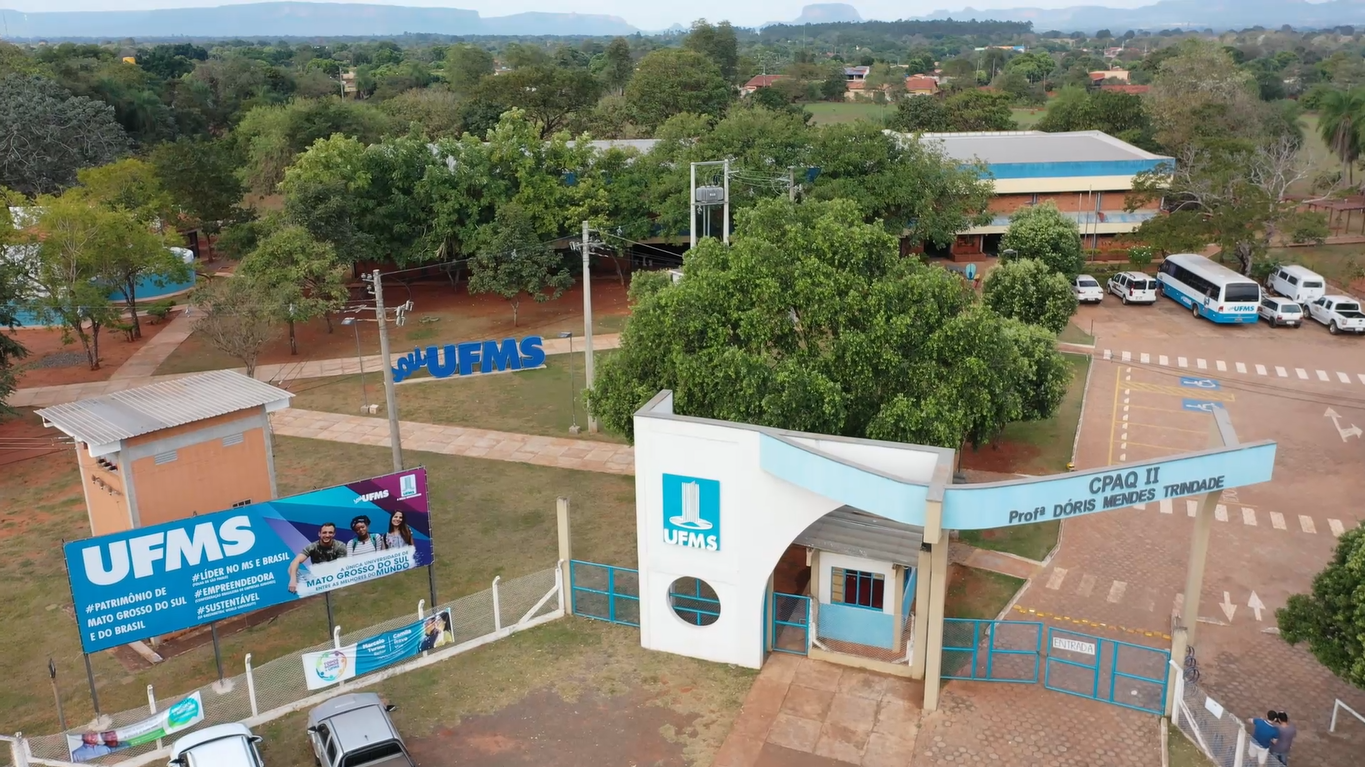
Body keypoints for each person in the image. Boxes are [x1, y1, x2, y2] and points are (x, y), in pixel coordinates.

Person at [288, 522, 347, 593]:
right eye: (324, 532)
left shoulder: (340, 546)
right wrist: (293, 580)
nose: (327, 535)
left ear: (334, 534)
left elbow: (342, 566)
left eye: (330, 532)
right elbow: (296, 561)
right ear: (319, 534)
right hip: (317, 577)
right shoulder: (312, 546)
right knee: (291, 568)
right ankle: (298, 590)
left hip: (335, 576)